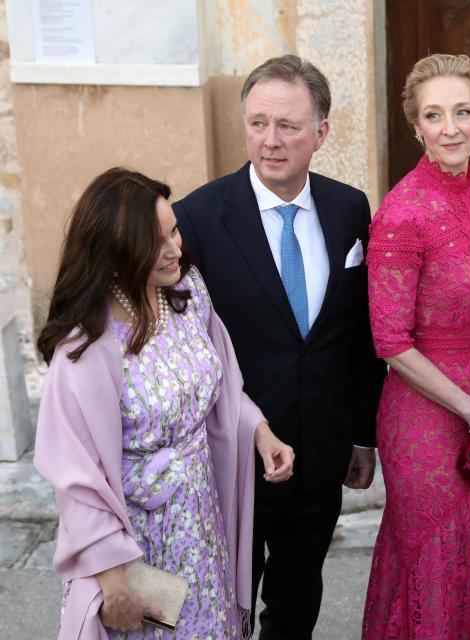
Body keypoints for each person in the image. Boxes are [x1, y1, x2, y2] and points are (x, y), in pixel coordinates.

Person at [172, 55, 387, 639]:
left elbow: (359, 336)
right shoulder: (195, 219)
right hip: (232, 456)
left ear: (321, 132)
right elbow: (180, 344)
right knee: (227, 603)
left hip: (320, 451)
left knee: (297, 605)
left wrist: (362, 435)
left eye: (288, 126)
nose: (270, 141)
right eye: (258, 123)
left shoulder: (350, 209)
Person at [34, 168, 294, 638]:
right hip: (136, 544)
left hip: (203, 521)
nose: (174, 249)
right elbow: (77, 478)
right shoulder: (86, 346)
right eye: (154, 242)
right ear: (114, 253)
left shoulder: (187, 294)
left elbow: (221, 389)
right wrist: (113, 583)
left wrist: (260, 430)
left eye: (173, 230)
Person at [362, 53, 470, 640]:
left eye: (463, 111)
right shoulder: (401, 214)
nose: (451, 127)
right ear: (417, 127)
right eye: (435, 116)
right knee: (438, 562)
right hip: (426, 419)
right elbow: (390, 342)